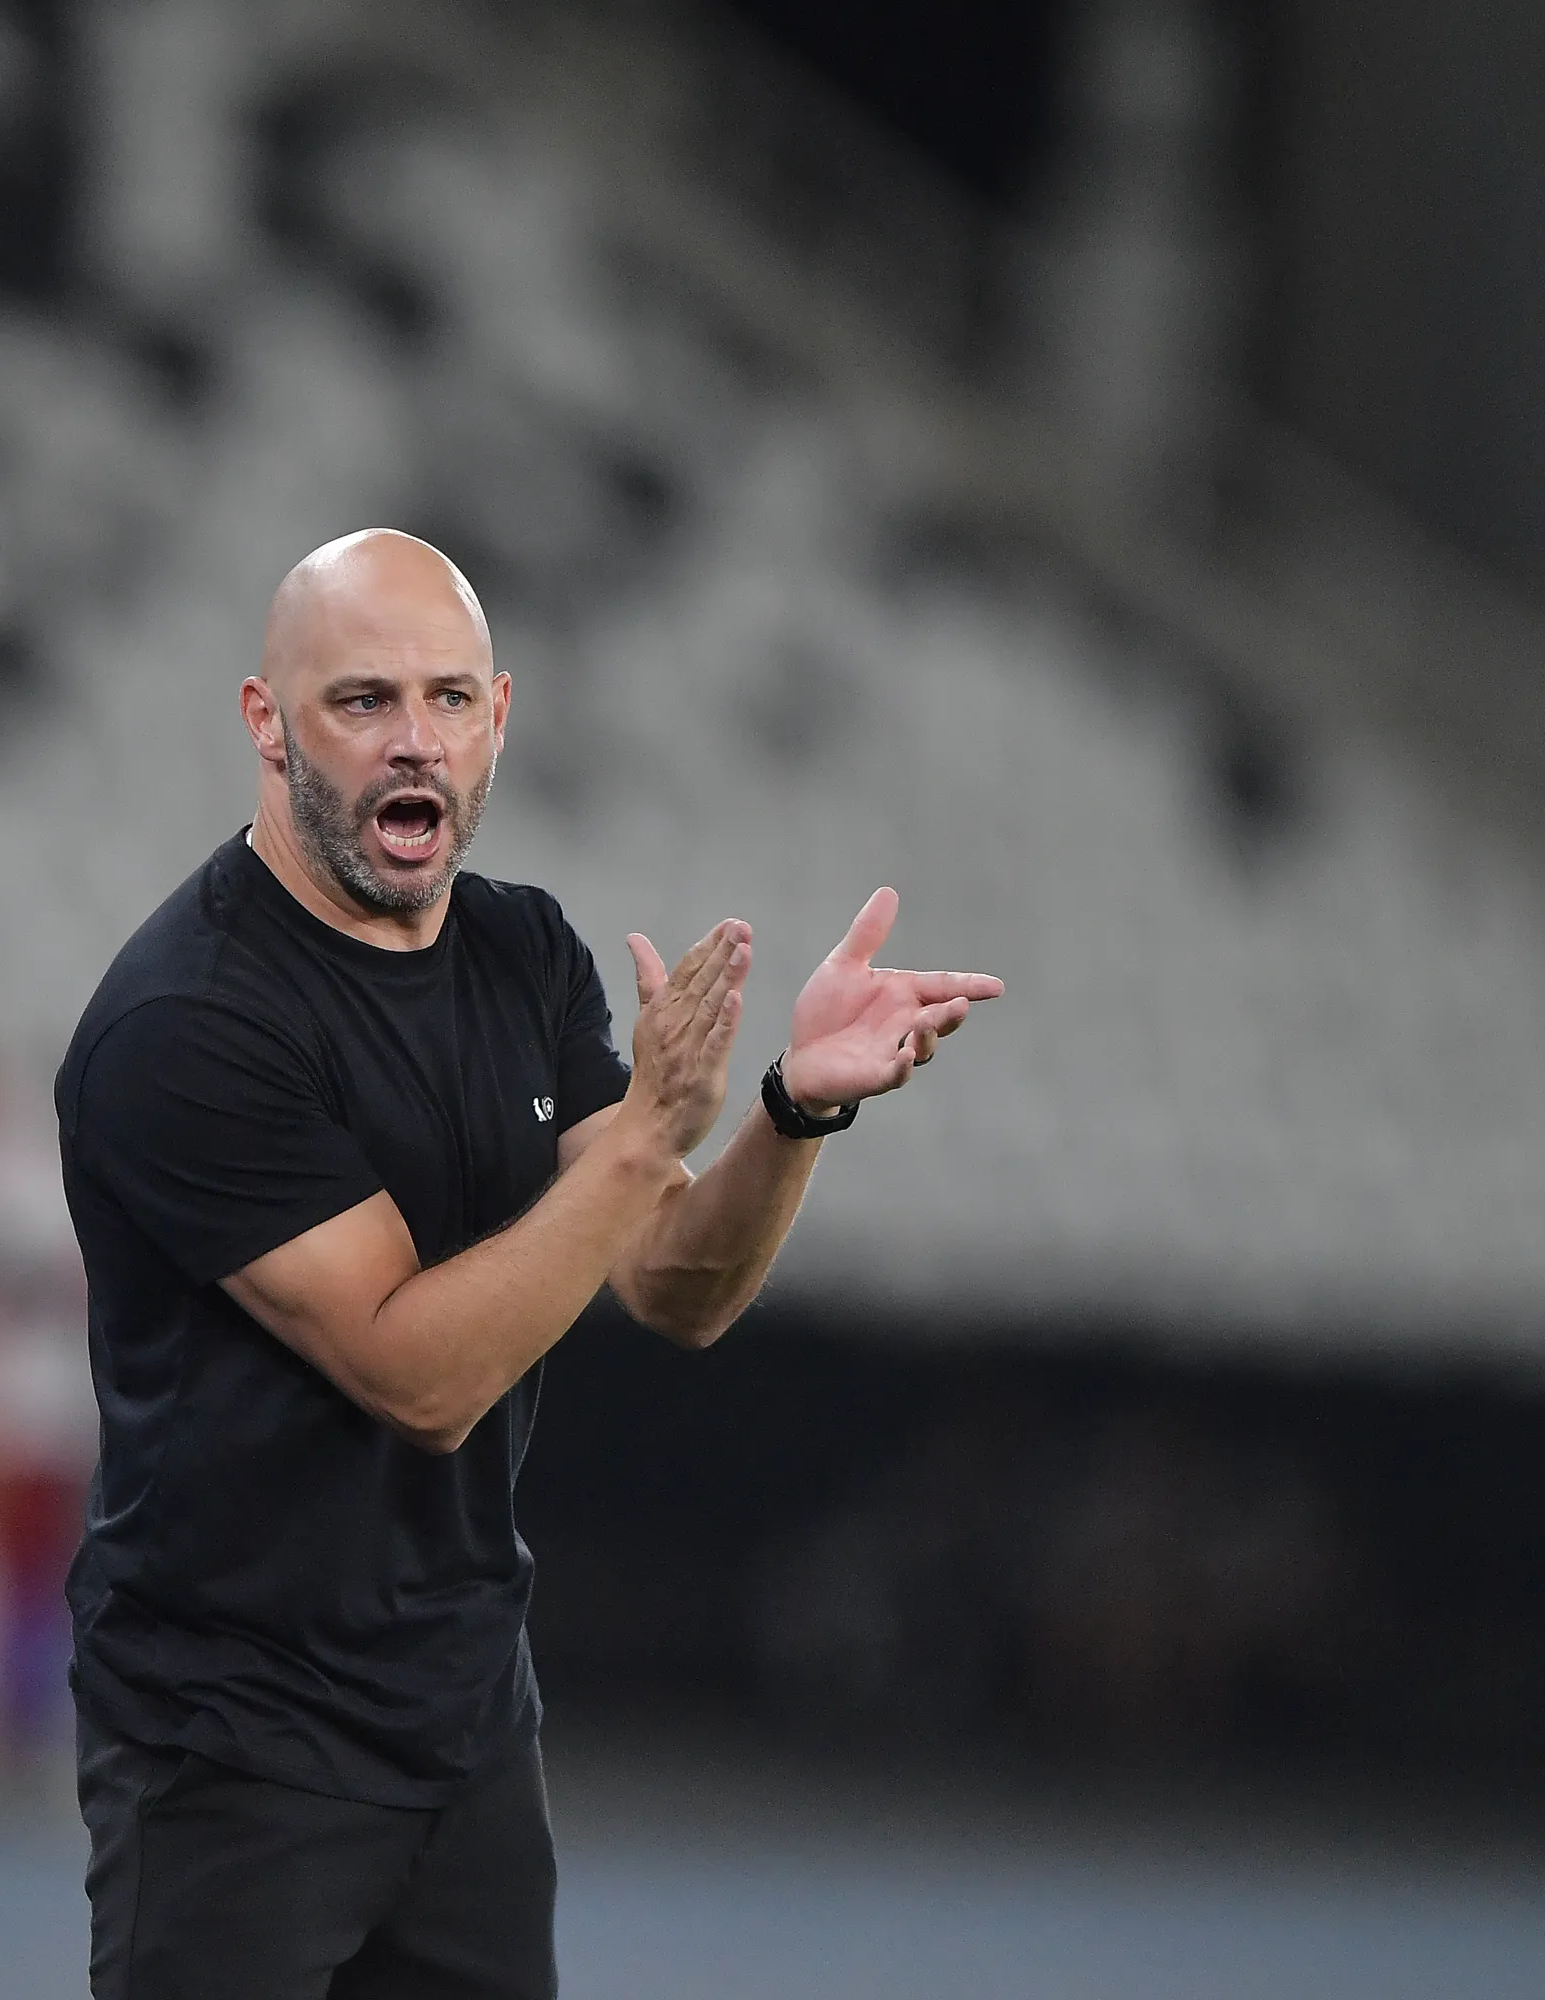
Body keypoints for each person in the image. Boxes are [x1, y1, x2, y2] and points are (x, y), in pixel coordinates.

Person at [59, 529, 1004, 1999]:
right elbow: (417, 1377)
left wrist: (791, 1110)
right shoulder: (188, 1025)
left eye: (447, 699)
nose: (412, 743)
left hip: (465, 1729)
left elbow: (668, 1286)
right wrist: (643, 1141)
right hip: (232, 1748)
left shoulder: (519, 953)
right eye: (360, 702)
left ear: (501, 715)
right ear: (265, 722)